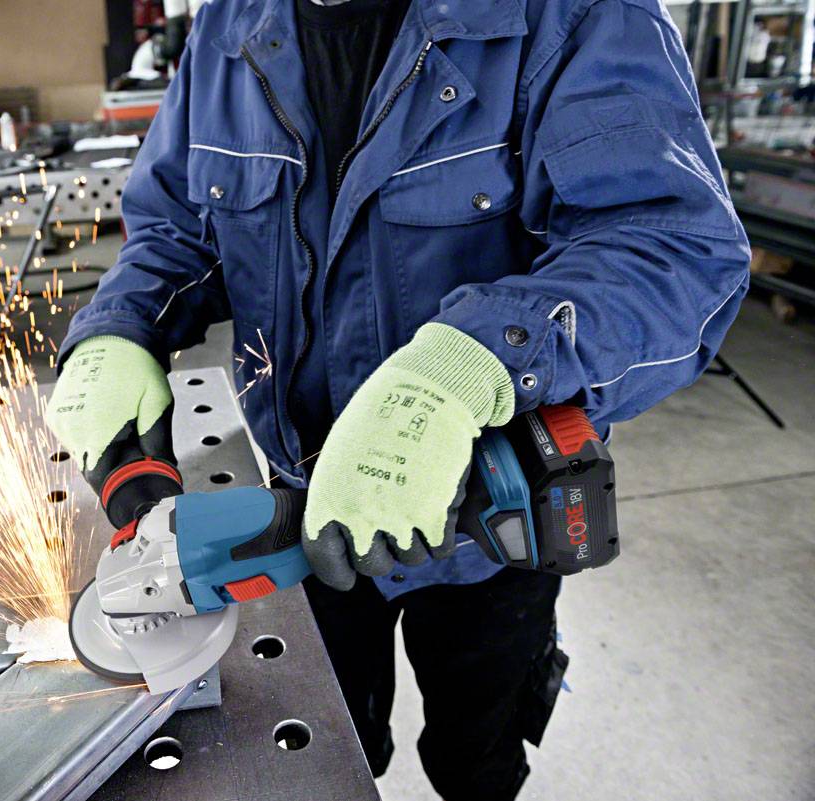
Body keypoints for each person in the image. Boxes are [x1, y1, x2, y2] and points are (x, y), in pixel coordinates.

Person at [46, 0, 750, 797]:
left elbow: (673, 247)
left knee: (476, 758)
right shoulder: (226, 25)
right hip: (306, 503)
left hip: (487, 526)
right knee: (333, 751)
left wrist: (462, 371)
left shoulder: (575, 13)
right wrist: (120, 324)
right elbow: (179, 226)